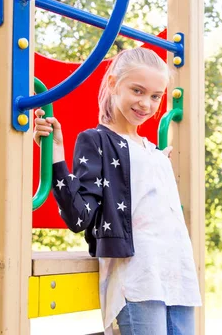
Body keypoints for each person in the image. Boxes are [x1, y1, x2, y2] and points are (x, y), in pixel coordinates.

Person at [33, 48, 202, 335]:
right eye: (137, 90)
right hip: (138, 277)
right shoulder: (97, 140)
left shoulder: (153, 151)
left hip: (178, 273)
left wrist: (155, 163)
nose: (146, 104)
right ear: (113, 84)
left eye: (155, 96)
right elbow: (80, 217)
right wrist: (56, 154)